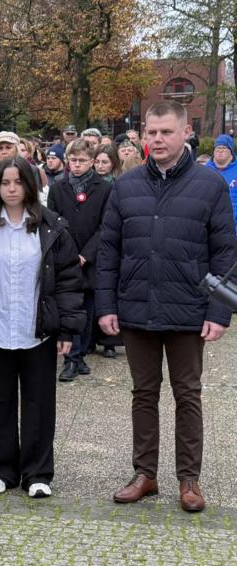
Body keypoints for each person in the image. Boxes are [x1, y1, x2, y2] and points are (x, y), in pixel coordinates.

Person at [96, 100, 237, 513]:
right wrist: (106, 304)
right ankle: (145, 473)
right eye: (151, 132)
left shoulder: (210, 186)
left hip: (189, 310)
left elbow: (226, 254)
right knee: (143, 393)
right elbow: (109, 251)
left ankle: (188, 480)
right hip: (137, 308)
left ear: (185, 132)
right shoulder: (126, 185)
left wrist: (218, 311)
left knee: (187, 394)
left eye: (166, 132)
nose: (157, 139)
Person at [0, 156, 84, 499]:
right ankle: (1, 470)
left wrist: (67, 330)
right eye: (5, 182)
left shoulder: (51, 227)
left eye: (18, 182)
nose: (12, 189)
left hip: (37, 330)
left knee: (39, 402)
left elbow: (68, 281)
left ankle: (37, 473)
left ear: (29, 185)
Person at [47, 139, 111, 382]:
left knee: (87, 308)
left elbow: (105, 226)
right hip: (65, 258)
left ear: (92, 162)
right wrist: (67, 253)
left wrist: (86, 254)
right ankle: (71, 358)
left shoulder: (104, 189)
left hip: (91, 259)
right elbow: (53, 223)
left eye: (82, 160)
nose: (76, 165)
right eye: (73, 160)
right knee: (68, 306)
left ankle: (81, 352)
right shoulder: (58, 188)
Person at [205, 134, 237, 231]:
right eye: (217, 148)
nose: (220, 151)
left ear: (231, 151)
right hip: (210, 225)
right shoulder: (205, 170)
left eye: (223, 148)